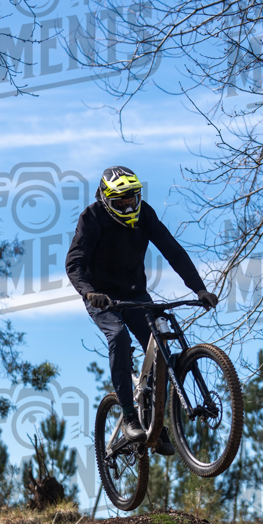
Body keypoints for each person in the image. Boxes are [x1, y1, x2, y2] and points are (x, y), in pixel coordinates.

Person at [66, 165, 218, 454]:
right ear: (106, 200)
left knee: (162, 344)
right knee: (119, 337)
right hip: (101, 298)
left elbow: (173, 251)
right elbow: (74, 263)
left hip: (135, 294)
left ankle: (155, 423)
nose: (128, 205)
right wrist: (89, 292)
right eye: (120, 201)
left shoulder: (145, 214)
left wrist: (199, 289)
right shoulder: (92, 217)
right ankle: (129, 416)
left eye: (132, 198)